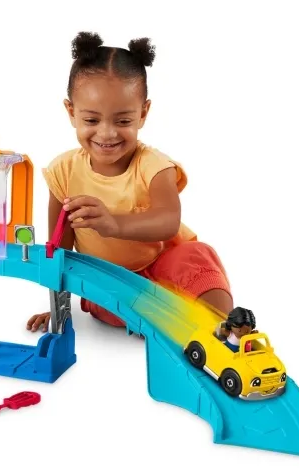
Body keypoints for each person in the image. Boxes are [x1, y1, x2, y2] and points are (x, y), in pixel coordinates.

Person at [27, 31, 233, 333]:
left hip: (162, 268)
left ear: (143, 113)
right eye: (91, 120)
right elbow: (60, 250)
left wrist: (114, 224)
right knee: (102, 293)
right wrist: (57, 308)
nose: (107, 133)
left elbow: (169, 221)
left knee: (196, 255)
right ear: (71, 112)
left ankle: (224, 330)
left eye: (123, 121)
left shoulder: (154, 165)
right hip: (111, 282)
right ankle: (165, 323)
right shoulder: (63, 171)